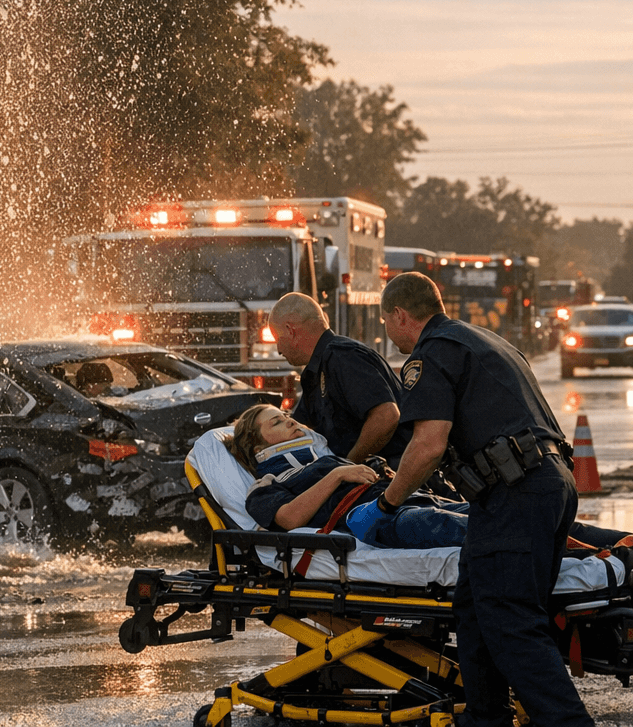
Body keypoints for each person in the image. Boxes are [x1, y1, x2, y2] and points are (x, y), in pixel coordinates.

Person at [368, 271, 589, 727]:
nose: (387, 333)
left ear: (399, 314)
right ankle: (486, 717)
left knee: (511, 623)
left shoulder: (432, 354)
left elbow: (428, 445)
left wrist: (386, 504)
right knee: (474, 612)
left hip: (516, 492)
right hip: (541, 486)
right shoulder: (484, 340)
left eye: (386, 322)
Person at [228, 404, 468, 548]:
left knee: (489, 515)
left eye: (286, 415)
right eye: (277, 422)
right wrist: (337, 475)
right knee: (455, 525)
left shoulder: (326, 459)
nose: (289, 420)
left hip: (413, 500)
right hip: (373, 519)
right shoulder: (265, 485)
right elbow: (290, 519)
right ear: (258, 449)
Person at [270, 292, 407, 463]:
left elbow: (386, 416)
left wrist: (348, 466)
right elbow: (300, 428)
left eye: (277, 338)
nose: (278, 350)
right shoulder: (315, 372)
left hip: (392, 475)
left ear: (290, 331)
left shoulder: (343, 357)